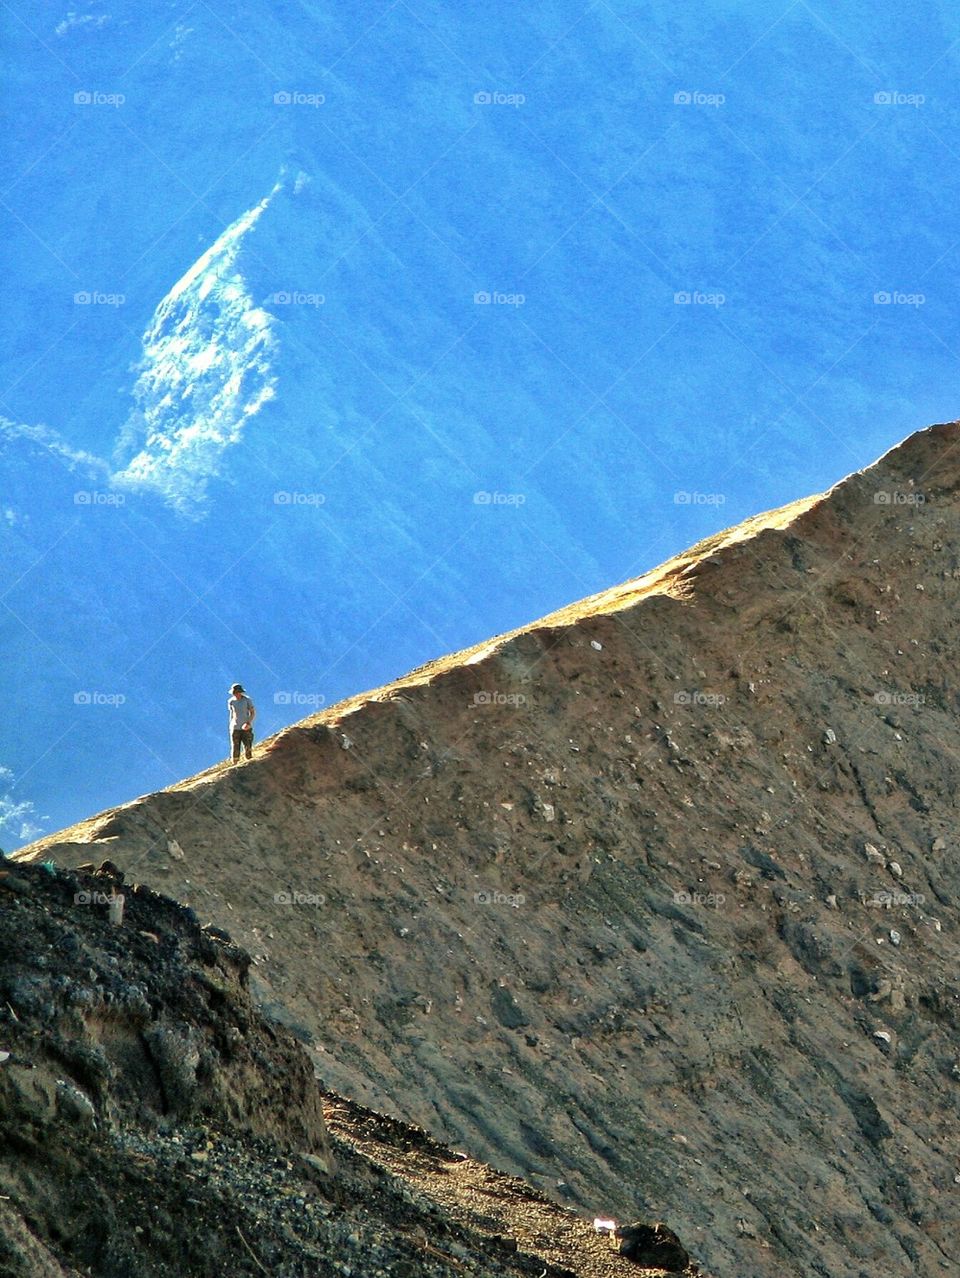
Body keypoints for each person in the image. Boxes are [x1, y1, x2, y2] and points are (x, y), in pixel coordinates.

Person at [228, 683, 256, 763]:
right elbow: (232, 714)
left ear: (240, 692)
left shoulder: (247, 700)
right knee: (235, 747)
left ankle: (249, 762)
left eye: (237, 692)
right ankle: (235, 763)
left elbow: (252, 712)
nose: (236, 694)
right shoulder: (231, 701)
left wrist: (249, 723)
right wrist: (230, 725)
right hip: (235, 727)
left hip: (246, 728)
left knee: (247, 746)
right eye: (235, 693)